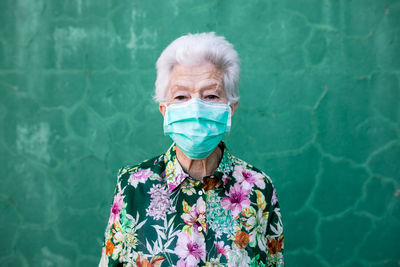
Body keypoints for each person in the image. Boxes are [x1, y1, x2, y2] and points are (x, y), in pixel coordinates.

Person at [99, 32, 284, 267]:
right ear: (164, 110)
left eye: (211, 95)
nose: (195, 108)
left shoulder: (259, 188)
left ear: (231, 108)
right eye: (181, 96)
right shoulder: (133, 185)